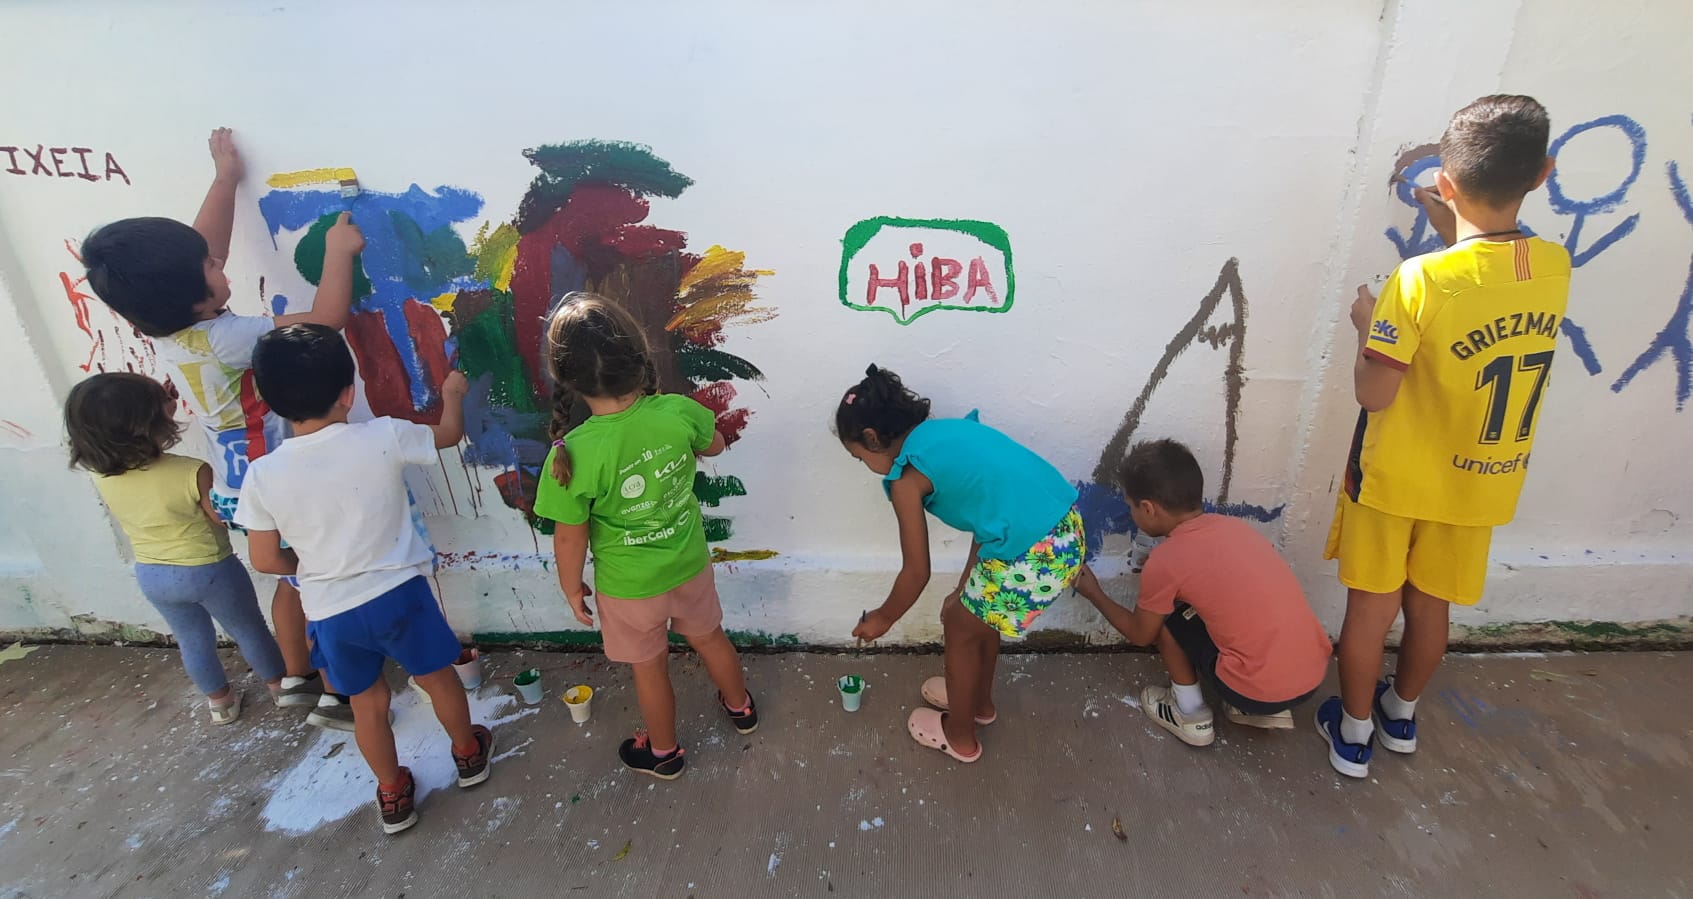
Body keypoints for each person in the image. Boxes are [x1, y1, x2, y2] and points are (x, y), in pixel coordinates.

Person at [79, 128, 367, 731]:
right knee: (318, 578)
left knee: (293, 576)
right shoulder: (228, 336)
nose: (219, 260)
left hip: (243, 481)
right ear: (194, 293)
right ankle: (340, 693)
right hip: (283, 468)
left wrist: (225, 179)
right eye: (212, 266)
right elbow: (327, 322)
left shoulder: (164, 326)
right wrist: (338, 251)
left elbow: (197, 254)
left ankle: (295, 677)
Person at [1318, 95, 1569, 778]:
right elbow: (1481, 287)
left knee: (1370, 610)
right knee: (1429, 606)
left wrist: (1367, 324)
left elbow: (1375, 390)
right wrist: (1453, 232)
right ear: (1542, 173)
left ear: (1446, 184)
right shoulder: (1553, 267)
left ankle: (1352, 730)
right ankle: (1400, 714)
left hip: (1395, 478)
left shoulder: (1416, 279)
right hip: (1476, 479)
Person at [235, 324, 489, 835]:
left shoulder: (262, 474)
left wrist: (309, 568)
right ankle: (468, 753)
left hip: (332, 611)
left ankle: (393, 793)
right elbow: (447, 435)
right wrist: (453, 395)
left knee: (367, 704)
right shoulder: (383, 434)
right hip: (400, 596)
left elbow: (264, 558)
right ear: (349, 393)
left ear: (274, 404)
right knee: (436, 677)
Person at [533, 293, 757, 781]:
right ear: (637, 355)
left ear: (566, 377)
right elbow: (715, 444)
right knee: (710, 638)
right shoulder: (677, 411)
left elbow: (569, 538)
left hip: (628, 587)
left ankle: (663, 752)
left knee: (650, 669)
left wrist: (572, 588)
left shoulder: (572, 454)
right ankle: (740, 707)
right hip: (688, 564)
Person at [841, 365, 1085, 763]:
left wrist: (883, 617)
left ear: (872, 438)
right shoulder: (945, 435)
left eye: (859, 457)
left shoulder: (906, 477)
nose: (864, 465)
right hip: (1063, 529)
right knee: (972, 616)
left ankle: (959, 736)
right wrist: (964, 589)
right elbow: (984, 520)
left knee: (959, 626)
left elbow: (916, 571)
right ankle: (978, 705)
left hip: (1033, 553)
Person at [1074, 439, 1331, 746]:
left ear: (1148, 508)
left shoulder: (1166, 562)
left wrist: (1095, 594)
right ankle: (1257, 703)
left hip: (1256, 690)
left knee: (1169, 619)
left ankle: (1189, 713)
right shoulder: (1234, 529)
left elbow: (1141, 635)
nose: (1131, 514)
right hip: (1313, 675)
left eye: (1130, 507)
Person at [65, 372, 288, 725]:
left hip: (152, 573)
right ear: (153, 421)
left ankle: (221, 703)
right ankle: (280, 688)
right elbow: (220, 518)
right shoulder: (192, 471)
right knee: (248, 628)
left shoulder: (100, 476)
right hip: (210, 570)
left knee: (191, 638)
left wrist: (159, 402)